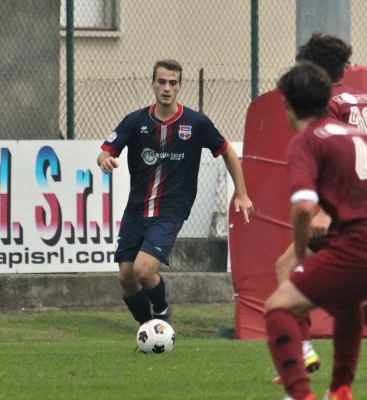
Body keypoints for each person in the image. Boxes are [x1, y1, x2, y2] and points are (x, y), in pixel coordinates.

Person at [264, 61, 367, 400]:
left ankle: (298, 394)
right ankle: (340, 389)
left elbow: (302, 207)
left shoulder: (306, 142)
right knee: (347, 301)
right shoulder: (361, 137)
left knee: (278, 306)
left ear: (286, 104)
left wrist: (299, 254)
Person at [97, 59, 254, 327]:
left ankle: (161, 310)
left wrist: (242, 193)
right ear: (153, 84)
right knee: (126, 277)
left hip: (170, 211)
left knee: (144, 270)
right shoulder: (136, 121)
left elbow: (227, 151)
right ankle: (149, 328)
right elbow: (106, 151)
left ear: (180, 86)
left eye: (172, 82)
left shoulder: (196, 123)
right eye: (161, 81)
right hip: (136, 210)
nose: (166, 88)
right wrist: (104, 160)